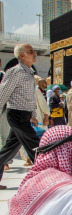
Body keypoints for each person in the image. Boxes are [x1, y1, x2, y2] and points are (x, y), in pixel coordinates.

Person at [0, 44, 40, 189]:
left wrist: (33, 115)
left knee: (8, 150)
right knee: (35, 146)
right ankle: (47, 179)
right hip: (16, 115)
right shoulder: (15, 72)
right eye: (31, 51)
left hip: (25, 115)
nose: (35, 53)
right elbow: (3, 95)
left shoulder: (29, 73)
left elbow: (30, 97)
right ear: (22, 55)